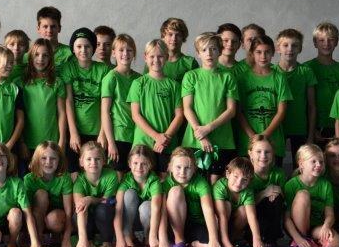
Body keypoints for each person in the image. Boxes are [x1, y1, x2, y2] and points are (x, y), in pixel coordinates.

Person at [181, 33, 239, 181]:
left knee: (216, 182)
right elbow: (187, 108)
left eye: (213, 49)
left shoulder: (228, 77)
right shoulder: (191, 76)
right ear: (198, 53)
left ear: (220, 51)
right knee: (195, 182)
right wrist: (201, 134)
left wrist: (208, 128)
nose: (209, 53)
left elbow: (231, 110)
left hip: (222, 139)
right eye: (204, 50)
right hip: (195, 139)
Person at [128, 39, 183, 171]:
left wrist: (165, 138)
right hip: (143, 143)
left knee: (164, 178)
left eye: (160, 56)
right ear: (145, 57)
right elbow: (135, 115)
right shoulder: (138, 83)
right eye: (152, 56)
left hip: (167, 144)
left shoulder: (174, 85)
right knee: (143, 177)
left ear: (167, 57)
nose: (156, 60)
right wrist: (157, 136)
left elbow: (179, 115)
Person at [236, 34, 291, 161]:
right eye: (259, 52)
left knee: (275, 173)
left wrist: (265, 135)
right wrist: (252, 136)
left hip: (273, 139)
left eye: (267, 52)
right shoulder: (242, 79)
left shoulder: (279, 78)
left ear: (273, 53)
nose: (263, 56)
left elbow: (282, 111)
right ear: (252, 53)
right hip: (248, 140)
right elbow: (238, 111)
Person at [60, 27, 110, 166]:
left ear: (93, 48)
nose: (83, 50)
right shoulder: (68, 68)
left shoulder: (103, 69)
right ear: (73, 48)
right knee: (74, 171)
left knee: (96, 168)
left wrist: (103, 133)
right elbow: (68, 101)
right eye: (79, 46)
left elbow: (106, 105)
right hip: (75, 130)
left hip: (97, 130)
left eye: (87, 46)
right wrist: (73, 132)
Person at [284, 144, 339, 247]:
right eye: (313, 161)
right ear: (301, 164)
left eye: (321, 162)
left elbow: (330, 214)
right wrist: (298, 238)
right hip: (297, 231)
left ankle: (313, 246)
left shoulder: (326, 185)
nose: (318, 165)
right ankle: (303, 240)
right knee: (303, 195)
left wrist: (326, 226)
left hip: (315, 227)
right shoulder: (291, 185)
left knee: (334, 241)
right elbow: (286, 219)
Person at [164, 147, 220, 247]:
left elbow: (208, 209)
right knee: (176, 191)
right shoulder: (165, 184)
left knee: (211, 245)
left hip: (194, 225)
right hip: (173, 227)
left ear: (194, 169)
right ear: (170, 167)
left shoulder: (200, 183)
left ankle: (191, 245)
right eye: (178, 167)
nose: (182, 172)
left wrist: (214, 239)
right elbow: (161, 212)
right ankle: (179, 240)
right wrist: (162, 238)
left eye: (187, 168)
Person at [20, 39, 67, 158]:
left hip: (51, 143)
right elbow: (17, 117)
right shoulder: (21, 83)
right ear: (30, 56)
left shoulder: (57, 83)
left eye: (45, 55)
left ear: (50, 58)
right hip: (28, 143)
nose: (40, 59)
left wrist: (62, 140)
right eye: (36, 54)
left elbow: (62, 113)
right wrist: (21, 142)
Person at [115, 145, 167, 247]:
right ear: (129, 164)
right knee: (129, 194)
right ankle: (128, 236)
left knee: (146, 206)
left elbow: (156, 208)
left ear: (150, 165)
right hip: (130, 220)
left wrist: (153, 236)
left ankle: (147, 237)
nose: (139, 167)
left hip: (148, 221)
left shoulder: (154, 181)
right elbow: (118, 210)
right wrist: (119, 238)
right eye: (135, 163)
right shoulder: (126, 180)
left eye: (144, 164)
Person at [275, 29, 316, 162]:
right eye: (285, 45)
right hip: (277, 128)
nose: (290, 49)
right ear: (278, 48)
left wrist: (310, 135)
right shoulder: (272, 72)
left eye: (294, 45)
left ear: (300, 49)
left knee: (300, 166)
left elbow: (311, 106)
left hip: (300, 129)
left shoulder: (306, 72)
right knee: (276, 164)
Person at [101, 34, 141, 171]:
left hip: (136, 135)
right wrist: (111, 142)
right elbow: (105, 112)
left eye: (129, 50)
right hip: (118, 136)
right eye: (121, 50)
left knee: (133, 174)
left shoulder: (139, 79)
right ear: (113, 53)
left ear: (134, 53)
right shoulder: (111, 77)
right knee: (118, 174)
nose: (125, 53)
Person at [303, 22, 339, 143]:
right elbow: (303, 102)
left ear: (336, 42)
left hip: (337, 126)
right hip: (312, 126)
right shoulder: (306, 68)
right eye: (321, 40)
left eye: (331, 40)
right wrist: (311, 130)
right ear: (315, 43)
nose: (326, 44)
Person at [24, 141, 74, 247]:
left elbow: (69, 212)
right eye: (43, 158)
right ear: (37, 160)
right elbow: (27, 212)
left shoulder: (64, 178)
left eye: (53, 158)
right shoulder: (29, 179)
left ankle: (58, 238)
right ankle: (39, 240)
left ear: (59, 160)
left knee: (53, 219)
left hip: (57, 217)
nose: (48, 162)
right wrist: (34, 241)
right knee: (41, 194)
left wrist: (67, 238)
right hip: (38, 216)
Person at [72, 141, 119, 247]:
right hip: (87, 217)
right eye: (89, 159)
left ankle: (107, 241)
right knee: (79, 212)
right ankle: (88, 240)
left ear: (104, 161)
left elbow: (107, 201)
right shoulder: (79, 181)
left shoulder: (111, 175)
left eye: (97, 159)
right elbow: (80, 208)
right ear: (81, 162)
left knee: (103, 209)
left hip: (104, 216)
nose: (93, 162)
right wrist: (82, 239)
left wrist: (90, 199)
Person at [212, 157, 262, 247]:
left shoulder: (247, 191)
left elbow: (251, 216)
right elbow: (222, 216)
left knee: (244, 210)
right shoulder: (219, 187)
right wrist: (225, 241)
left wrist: (257, 238)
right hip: (219, 222)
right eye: (235, 177)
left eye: (244, 180)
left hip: (234, 223)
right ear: (228, 174)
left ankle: (232, 239)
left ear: (249, 181)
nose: (239, 183)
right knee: (227, 205)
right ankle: (222, 240)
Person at [246, 135, 285, 247]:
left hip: (270, 216)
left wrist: (279, 192)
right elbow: (242, 205)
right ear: (250, 153)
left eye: (267, 152)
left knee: (276, 197)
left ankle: (271, 238)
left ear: (273, 154)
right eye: (258, 152)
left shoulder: (278, 174)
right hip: (250, 217)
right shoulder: (245, 174)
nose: (263, 156)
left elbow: (285, 203)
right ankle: (249, 236)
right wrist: (264, 193)